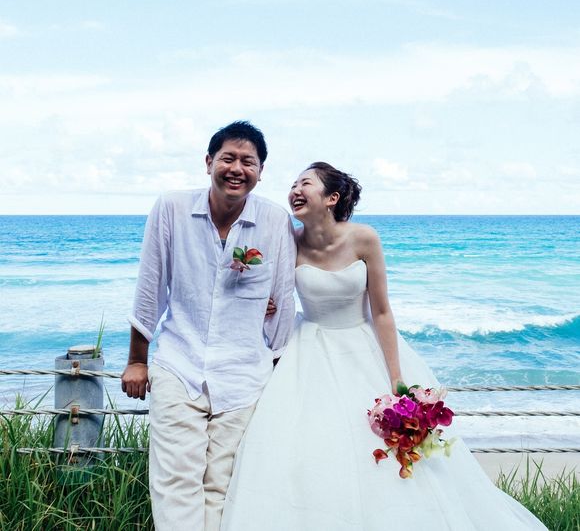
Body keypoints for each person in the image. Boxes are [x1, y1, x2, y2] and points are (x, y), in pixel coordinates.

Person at [221, 162, 547, 530]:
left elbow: (382, 312)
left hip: (363, 348)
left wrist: (396, 378)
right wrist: (264, 302)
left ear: (331, 198)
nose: (295, 190)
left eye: (305, 183)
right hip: (308, 349)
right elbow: (273, 290)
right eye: (293, 184)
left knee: (380, 448)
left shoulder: (364, 238)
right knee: (311, 446)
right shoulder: (289, 242)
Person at [120, 121, 296, 531]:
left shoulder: (274, 220)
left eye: (248, 162)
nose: (237, 169)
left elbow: (283, 300)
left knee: (225, 486)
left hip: (245, 376)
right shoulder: (172, 208)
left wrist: (279, 372)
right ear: (208, 162)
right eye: (228, 158)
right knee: (175, 483)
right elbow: (150, 286)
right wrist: (137, 361)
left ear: (260, 171)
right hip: (179, 365)